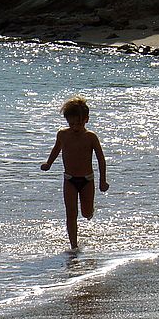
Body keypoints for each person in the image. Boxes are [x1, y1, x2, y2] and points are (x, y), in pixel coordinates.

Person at [40, 96, 109, 250]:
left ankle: (90, 211)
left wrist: (102, 181)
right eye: (71, 124)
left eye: (78, 123)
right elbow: (56, 149)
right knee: (71, 213)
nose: (75, 127)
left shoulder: (90, 137)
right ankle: (74, 246)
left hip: (87, 180)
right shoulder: (63, 135)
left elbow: (101, 160)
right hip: (69, 180)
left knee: (85, 213)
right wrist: (48, 163)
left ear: (86, 120)